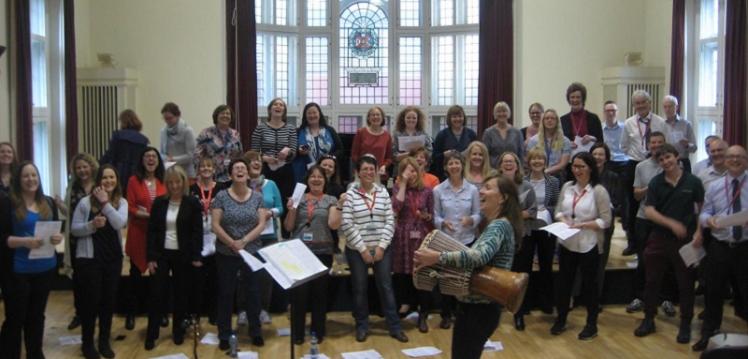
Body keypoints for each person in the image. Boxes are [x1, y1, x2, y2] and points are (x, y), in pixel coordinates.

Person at [414, 175, 523, 359]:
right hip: (481, 310)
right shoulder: (500, 225)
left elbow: (478, 257)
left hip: (479, 311)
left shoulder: (498, 226)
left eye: (488, 188)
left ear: (503, 197)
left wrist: (438, 257)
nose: (480, 191)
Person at [634, 144, 704, 344]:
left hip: (686, 241)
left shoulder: (693, 181)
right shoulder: (656, 183)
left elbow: (702, 208)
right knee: (652, 281)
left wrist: (699, 232)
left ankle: (685, 324)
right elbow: (649, 211)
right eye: (661, 159)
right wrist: (671, 223)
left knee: (686, 283)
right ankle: (649, 319)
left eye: (668, 158)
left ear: (677, 157)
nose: (665, 162)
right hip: (659, 238)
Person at [340, 155, 408, 343]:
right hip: (356, 250)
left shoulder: (383, 192)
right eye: (365, 169)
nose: (369, 173)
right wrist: (362, 249)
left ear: (377, 171)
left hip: (381, 248)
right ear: (357, 173)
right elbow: (347, 223)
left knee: (386, 287)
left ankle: (394, 327)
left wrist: (381, 247)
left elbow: (390, 221)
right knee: (360, 289)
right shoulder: (350, 194)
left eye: (372, 169)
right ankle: (362, 325)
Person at [1, 162, 64, 359]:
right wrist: (24, 241)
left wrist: (57, 238)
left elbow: (55, 231)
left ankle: (35, 353)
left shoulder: (48, 202)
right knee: (15, 318)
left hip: (45, 267)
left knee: (37, 316)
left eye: (34, 175)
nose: (31, 179)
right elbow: (2, 238)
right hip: (17, 270)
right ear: (18, 180)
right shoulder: (7, 203)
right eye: (26, 176)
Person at [693, 145, 748, 351]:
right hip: (720, 245)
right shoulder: (715, 186)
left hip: (745, 247)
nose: (735, 160)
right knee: (713, 292)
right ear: (725, 160)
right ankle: (709, 333)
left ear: (746, 160)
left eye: (740, 157)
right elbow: (704, 213)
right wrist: (710, 221)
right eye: (731, 156)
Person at [551, 152, 611, 340]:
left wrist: (584, 225)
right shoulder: (568, 187)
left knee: (589, 286)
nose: (577, 170)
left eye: (581, 167)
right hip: (568, 242)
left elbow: (606, 221)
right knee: (564, 284)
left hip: (589, 244)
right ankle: (561, 319)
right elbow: (558, 211)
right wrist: (565, 220)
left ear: (590, 168)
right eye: (574, 166)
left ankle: (591, 324)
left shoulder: (598, 191)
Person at [70, 164, 128, 359]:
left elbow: (119, 223)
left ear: (117, 181)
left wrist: (105, 204)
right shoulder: (85, 203)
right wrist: (91, 225)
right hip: (90, 261)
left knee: (108, 302)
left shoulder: (122, 202)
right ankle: (87, 344)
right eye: (104, 178)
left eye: (112, 178)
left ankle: (104, 341)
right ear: (98, 181)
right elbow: (75, 229)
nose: (108, 181)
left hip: (112, 260)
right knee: (90, 303)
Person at [211, 159, 268, 349]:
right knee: (226, 293)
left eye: (243, 168)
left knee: (253, 293)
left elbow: (261, 224)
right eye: (236, 168)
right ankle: (224, 334)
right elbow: (215, 225)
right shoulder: (221, 196)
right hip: (226, 252)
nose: (240, 170)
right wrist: (232, 243)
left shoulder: (257, 197)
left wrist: (243, 241)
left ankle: (255, 331)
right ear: (230, 174)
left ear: (248, 174)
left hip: (251, 251)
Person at [144, 166, 203, 350]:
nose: (174, 185)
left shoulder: (192, 202)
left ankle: (178, 331)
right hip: (162, 254)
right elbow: (152, 232)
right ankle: (152, 334)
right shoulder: (159, 203)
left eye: (178, 181)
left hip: (183, 255)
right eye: (170, 182)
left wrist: (196, 255)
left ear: (184, 182)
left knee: (181, 294)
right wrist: (151, 257)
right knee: (156, 294)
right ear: (166, 184)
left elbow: (197, 232)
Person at [283, 165, 343, 344]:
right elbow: (288, 227)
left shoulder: (331, 199)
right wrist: (292, 209)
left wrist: (340, 206)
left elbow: (333, 225)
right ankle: (298, 334)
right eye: (313, 177)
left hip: (323, 251)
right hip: (299, 251)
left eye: (320, 177)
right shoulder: (298, 199)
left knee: (319, 295)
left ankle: (318, 332)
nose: (316, 180)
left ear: (325, 181)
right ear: (307, 180)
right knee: (299, 295)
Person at [626, 132, 678, 316]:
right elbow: (636, 195)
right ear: (648, 146)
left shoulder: (672, 165)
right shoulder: (641, 167)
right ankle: (640, 297)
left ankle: (666, 299)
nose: (656, 146)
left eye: (659, 143)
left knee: (668, 260)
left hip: (666, 220)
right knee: (643, 259)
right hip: (644, 219)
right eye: (653, 143)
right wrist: (652, 186)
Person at [432, 151, 481, 329]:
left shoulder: (473, 189)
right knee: (446, 278)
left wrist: (471, 220)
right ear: (445, 167)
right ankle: (446, 314)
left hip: (467, 239)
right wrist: (442, 222)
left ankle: (462, 314)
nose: (454, 166)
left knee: (463, 279)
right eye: (450, 163)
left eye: (457, 163)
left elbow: (478, 214)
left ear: (462, 165)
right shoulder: (438, 190)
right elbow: (435, 217)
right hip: (446, 240)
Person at [620, 89, 667, 256]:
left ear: (650, 103)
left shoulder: (660, 122)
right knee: (632, 206)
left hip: (657, 162)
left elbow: (665, 142)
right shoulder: (628, 123)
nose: (640, 106)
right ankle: (633, 242)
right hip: (635, 164)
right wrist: (638, 154)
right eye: (637, 103)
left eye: (643, 102)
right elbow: (624, 145)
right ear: (633, 105)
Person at [124, 147, 167, 330]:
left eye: (154, 156)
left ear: (158, 161)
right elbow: (131, 207)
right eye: (147, 156)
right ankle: (131, 313)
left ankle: (160, 313)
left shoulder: (163, 181)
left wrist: (151, 214)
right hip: (139, 233)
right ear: (142, 161)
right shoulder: (133, 181)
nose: (150, 159)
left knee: (158, 278)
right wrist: (147, 215)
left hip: (158, 235)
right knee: (134, 276)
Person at [515, 149, 560, 318]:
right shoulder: (522, 182)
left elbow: (556, 204)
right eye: (534, 159)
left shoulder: (553, 182)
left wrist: (545, 211)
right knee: (524, 267)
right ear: (529, 162)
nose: (537, 162)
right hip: (527, 227)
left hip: (546, 227)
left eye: (540, 158)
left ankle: (546, 302)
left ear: (545, 161)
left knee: (546, 266)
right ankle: (524, 304)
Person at [392, 157, 434, 332]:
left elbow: (431, 215)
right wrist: (402, 184)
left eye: (413, 170)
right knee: (403, 274)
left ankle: (423, 312)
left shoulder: (427, 191)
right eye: (407, 170)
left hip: (421, 236)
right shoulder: (397, 188)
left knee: (422, 273)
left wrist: (425, 216)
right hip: (402, 236)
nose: (411, 173)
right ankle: (405, 305)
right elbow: (396, 207)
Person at [58, 153, 99, 332]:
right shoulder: (72, 187)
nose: (82, 170)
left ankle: (94, 313)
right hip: (76, 239)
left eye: (85, 166)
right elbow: (72, 213)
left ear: (91, 167)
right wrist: (61, 206)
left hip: (96, 238)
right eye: (78, 168)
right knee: (78, 280)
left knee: (95, 280)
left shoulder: (99, 186)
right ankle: (80, 314)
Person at [497, 151, 537, 330]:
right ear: (500, 165)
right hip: (501, 238)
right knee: (501, 275)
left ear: (517, 165)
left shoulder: (526, 185)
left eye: (511, 161)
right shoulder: (496, 185)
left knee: (521, 276)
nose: (508, 164)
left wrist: (512, 215)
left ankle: (519, 313)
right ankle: (497, 310)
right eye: (505, 162)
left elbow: (533, 211)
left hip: (522, 237)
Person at [243, 150, 283, 325]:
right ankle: (244, 309)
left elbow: (280, 208)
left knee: (266, 275)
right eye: (252, 160)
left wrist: (271, 213)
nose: (257, 163)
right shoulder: (241, 185)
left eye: (259, 160)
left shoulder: (271, 184)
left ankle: (263, 309)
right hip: (247, 236)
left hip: (268, 235)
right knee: (245, 274)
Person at [189, 157, 228, 326]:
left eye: (209, 166)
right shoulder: (191, 189)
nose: (205, 168)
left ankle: (214, 314)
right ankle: (195, 315)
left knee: (216, 280)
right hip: (198, 239)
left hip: (216, 238)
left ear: (214, 169)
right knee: (196, 282)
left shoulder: (221, 189)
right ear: (198, 169)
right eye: (202, 166)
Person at [251, 98, 298, 203]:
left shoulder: (291, 129)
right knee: (266, 200)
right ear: (269, 110)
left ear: (284, 111)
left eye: (281, 105)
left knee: (285, 201)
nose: (278, 106)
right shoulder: (260, 128)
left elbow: (294, 152)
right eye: (275, 104)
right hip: (266, 169)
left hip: (286, 170)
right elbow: (253, 153)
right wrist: (264, 158)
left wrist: (287, 153)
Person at [590, 143, 621, 299]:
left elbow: (616, 201)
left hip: (605, 224)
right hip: (586, 224)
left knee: (600, 263)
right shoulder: (584, 175)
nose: (597, 157)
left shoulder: (613, 177)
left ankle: (596, 298)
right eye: (594, 154)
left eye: (601, 154)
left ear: (606, 157)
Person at [100, 109, 150, 193]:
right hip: (136, 172)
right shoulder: (143, 140)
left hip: (119, 171)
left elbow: (110, 155)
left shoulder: (118, 136)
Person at [292, 102, 343, 184]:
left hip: (327, 172)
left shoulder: (330, 130)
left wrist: (329, 158)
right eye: (309, 113)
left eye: (314, 112)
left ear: (319, 114)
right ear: (305, 116)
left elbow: (340, 150)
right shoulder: (298, 132)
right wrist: (299, 151)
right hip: (303, 173)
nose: (312, 115)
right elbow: (292, 152)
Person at [194, 105, 243, 182]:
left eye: (228, 113)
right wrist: (199, 174)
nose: (225, 115)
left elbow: (240, 155)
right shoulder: (206, 133)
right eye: (222, 113)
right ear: (216, 116)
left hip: (230, 177)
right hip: (210, 177)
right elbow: (197, 155)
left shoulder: (235, 134)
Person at [431, 105, 477, 179]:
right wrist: (444, 155)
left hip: (468, 173)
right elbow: (434, 157)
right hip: (446, 175)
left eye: (460, 116)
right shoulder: (442, 135)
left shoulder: (471, 134)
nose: (458, 119)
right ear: (449, 118)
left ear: (464, 117)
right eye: (454, 117)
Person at [601, 100, 629, 221]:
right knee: (607, 191)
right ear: (604, 112)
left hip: (623, 162)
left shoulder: (625, 127)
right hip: (607, 163)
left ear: (617, 112)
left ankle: (624, 218)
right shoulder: (600, 128)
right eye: (608, 111)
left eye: (613, 110)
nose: (610, 113)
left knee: (624, 192)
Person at [527, 109, 572, 180]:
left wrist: (546, 171)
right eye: (547, 118)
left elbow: (563, 164)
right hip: (537, 176)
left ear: (557, 121)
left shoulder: (565, 141)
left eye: (552, 118)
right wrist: (540, 171)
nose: (549, 120)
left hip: (558, 176)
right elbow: (529, 160)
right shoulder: (533, 141)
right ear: (543, 121)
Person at [350, 107, 393, 180]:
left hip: (379, 173)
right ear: (368, 118)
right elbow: (354, 154)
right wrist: (363, 167)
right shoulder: (361, 132)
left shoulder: (387, 135)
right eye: (373, 115)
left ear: (382, 118)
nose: (375, 117)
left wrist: (384, 166)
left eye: (378, 115)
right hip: (363, 173)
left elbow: (389, 157)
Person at [560, 82, 603, 149]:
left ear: (583, 99)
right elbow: (558, 142)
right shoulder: (562, 120)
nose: (575, 100)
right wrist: (567, 144)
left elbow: (600, 141)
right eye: (572, 97)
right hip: (570, 156)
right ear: (568, 99)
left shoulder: (594, 118)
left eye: (578, 97)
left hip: (590, 156)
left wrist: (592, 138)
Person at [159, 102, 197, 178]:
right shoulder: (163, 131)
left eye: (170, 118)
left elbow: (191, 155)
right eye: (165, 118)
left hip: (186, 173)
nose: (167, 121)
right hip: (170, 171)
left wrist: (172, 159)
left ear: (178, 116)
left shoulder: (187, 131)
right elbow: (162, 151)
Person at [482, 101, 525, 167]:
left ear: (508, 113)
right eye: (499, 111)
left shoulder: (517, 132)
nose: (502, 114)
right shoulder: (488, 133)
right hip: (494, 170)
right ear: (495, 114)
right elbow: (485, 154)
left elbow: (521, 154)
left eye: (504, 111)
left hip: (513, 170)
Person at [662, 96, 696, 173]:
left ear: (676, 107)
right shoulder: (660, 124)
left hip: (683, 161)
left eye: (670, 106)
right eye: (665, 107)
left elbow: (694, 148)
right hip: (666, 161)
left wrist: (687, 145)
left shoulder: (686, 124)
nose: (667, 109)